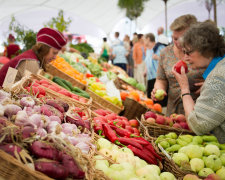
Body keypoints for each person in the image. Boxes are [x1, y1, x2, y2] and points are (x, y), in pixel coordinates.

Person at [172, 21, 225, 143]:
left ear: (205, 49)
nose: (185, 58)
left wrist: (184, 88)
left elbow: (197, 126)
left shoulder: (217, 77)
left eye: (188, 52)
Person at [151, 14, 205, 116]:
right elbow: (161, 79)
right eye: (174, 38)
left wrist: (209, 85)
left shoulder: (203, 53)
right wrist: (158, 89)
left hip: (198, 112)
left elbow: (218, 75)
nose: (177, 42)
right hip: (173, 112)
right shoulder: (165, 53)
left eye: (181, 38)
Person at [0, 27, 67, 87]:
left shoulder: (30, 56)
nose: (55, 57)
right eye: (54, 53)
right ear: (44, 49)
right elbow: (30, 89)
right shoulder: (31, 62)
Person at [144, 33, 166, 98]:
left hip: (158, 78)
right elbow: (147, 62)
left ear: (148, 39)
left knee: (158, 98)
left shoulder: (160, 47)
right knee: (151, 98)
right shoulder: (148, 50)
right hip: (150, 77)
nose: (144, 42)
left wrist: (158, 58)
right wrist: (145, 71)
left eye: (144, 40)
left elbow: (167, 60)